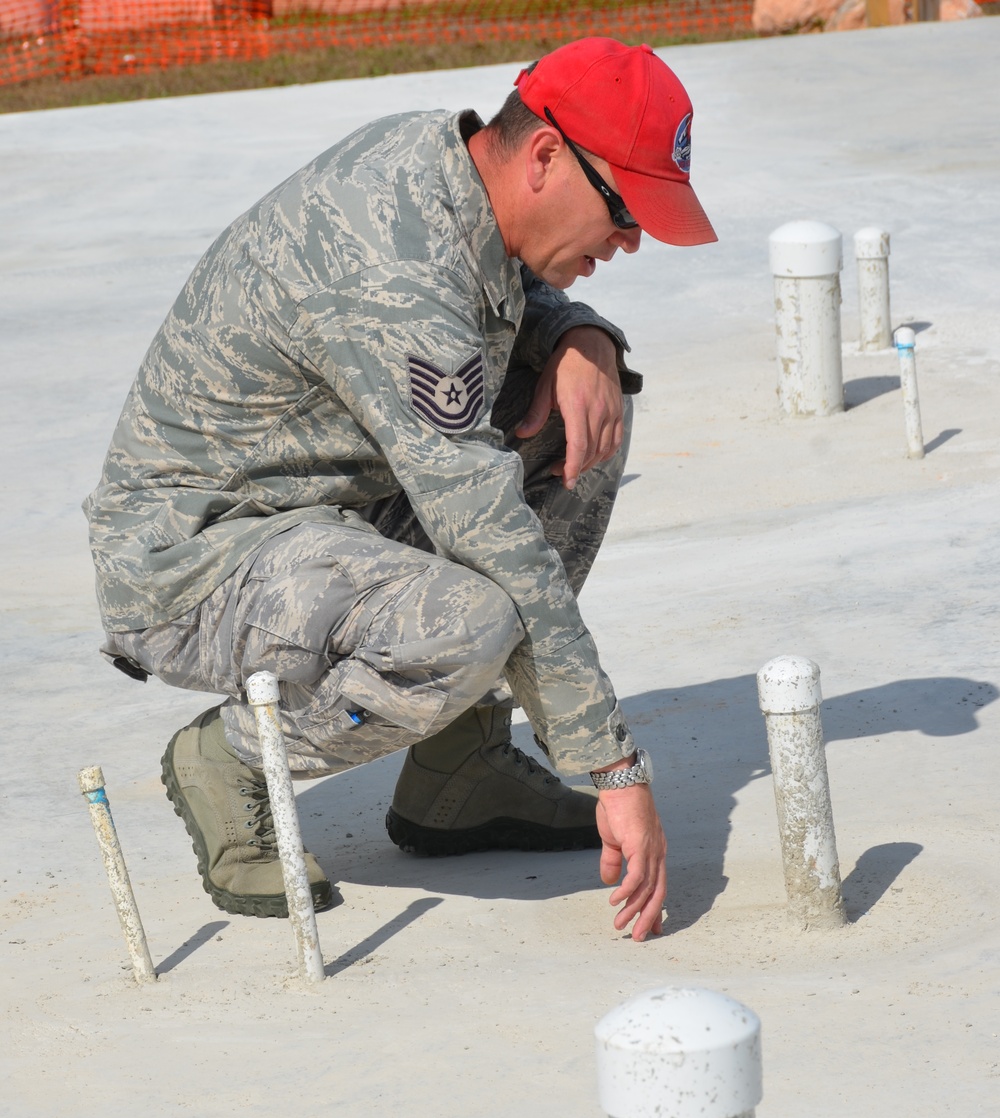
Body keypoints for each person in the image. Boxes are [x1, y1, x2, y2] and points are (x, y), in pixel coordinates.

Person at [83, 36, 716, 943]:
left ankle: (458, 768)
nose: (631, 240)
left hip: (320, 507)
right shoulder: (390, 250)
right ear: (544, 156)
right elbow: (485, 525)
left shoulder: (453, 171)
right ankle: (232, 758)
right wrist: (613, 766)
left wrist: (585, 337)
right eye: (623, 209)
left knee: (585, 425)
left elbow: (484, 308)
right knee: (468, 619)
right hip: (202, 555)